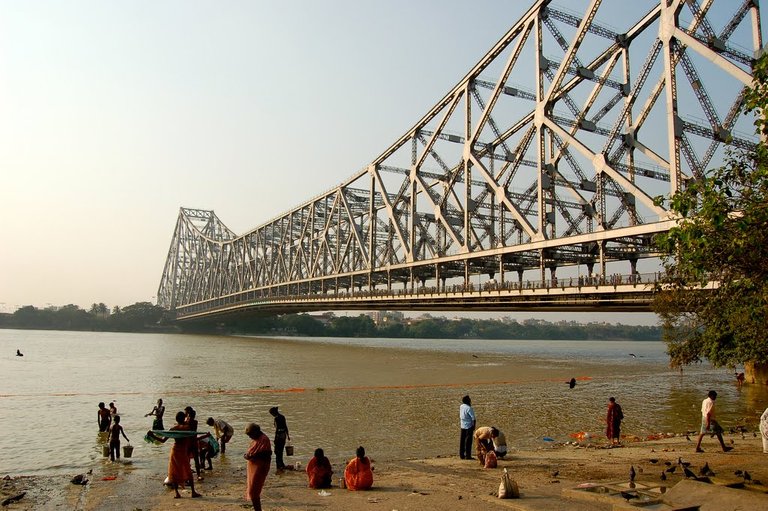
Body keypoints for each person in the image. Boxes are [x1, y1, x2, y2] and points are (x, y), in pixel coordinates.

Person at [147, 411, 201, 499]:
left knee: (174, 471)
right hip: (183, 451)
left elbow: (163, 440)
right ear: (184, 418)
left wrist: (152, 435)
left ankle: (177, 493)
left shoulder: (173, 428)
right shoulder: (187, 428)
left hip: (175, 451)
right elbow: (193, 438)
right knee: (187, 470)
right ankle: (193, 492)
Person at [244, 423, 272, 511]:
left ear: (256, 431)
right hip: (253, 467)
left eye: (250, 435)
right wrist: (247, 455)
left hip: (259, 468)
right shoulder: (256, 439)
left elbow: (267, 454)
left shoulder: (264, 439)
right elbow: (251, 451)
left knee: (254, 491)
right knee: (253, 489)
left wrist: (253, 456)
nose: (250, 437)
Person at [269, 406, 290, 471]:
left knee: (277, 451)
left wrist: (275, 438)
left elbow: (277, 429)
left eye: (271, 413)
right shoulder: (282, 417)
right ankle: (282, 464)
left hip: (279, 436)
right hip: (283, 435)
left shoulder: (276, 418)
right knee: (280, 450)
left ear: (274, 412)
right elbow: (285, 426)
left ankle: (278, 466)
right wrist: (288, 435)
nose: (272, 415)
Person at [185, 406, 202, 480]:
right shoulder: (195, 422)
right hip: (194, 441)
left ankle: (187, 474)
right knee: (196, 459)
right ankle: (198, 475)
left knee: (187, 459)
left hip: (188, 442)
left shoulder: (187, 422)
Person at [459, 395, 476, 460]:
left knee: (462, 440)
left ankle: (462, 455)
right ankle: (468, 456)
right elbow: (473, 418)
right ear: (468, 401)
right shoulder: (469, 408)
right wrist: (474, 426)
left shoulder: (461, 406)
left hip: (462, 425)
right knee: (468, 441)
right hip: (469, 426)